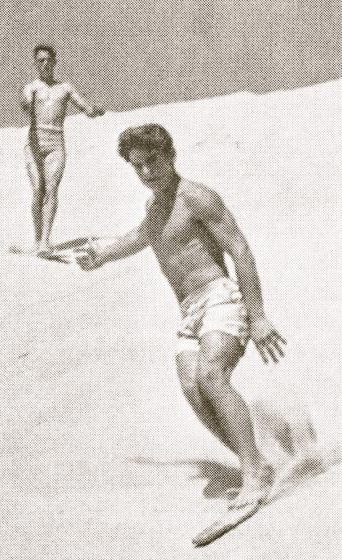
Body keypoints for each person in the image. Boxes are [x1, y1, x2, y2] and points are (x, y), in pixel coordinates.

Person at [77, 124, 286, 511]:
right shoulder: (154, 207)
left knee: (211, 375)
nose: (146, 172)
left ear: (170, 156)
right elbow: (141, 236)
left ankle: (254, 474)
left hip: (220, 297)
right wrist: (103, 255)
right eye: (137, 166)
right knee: (192, 387)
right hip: (189, 310)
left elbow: (240, 249)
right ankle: (255, 462)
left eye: (152, 161)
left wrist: (258, 317)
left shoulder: (197, 198)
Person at [16, 45, 104, 256]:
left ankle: (45, 242)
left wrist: (93, 111)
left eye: (48, 60)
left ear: (55, 62)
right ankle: (37, 239)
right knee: (38, 190)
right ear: (35, 63)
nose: (45, 64)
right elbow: (25, 104)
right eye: (40, 60)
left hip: (56, 144)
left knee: (52, 188)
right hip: (34, 144)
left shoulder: (65, 88)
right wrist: (27, 102)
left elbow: (84, 107)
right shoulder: (31, 88)